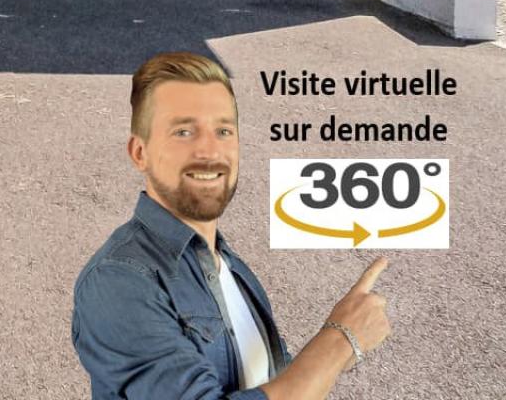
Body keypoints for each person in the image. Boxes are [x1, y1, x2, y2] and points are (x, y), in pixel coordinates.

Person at [72, 52, 392, 399]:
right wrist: (341, 340)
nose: (210, 152)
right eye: (183, 131)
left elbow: (274, 381)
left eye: (223, 131)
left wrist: (338, 350)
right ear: (140, 153)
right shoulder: (118, 281)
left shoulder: (228, 264)